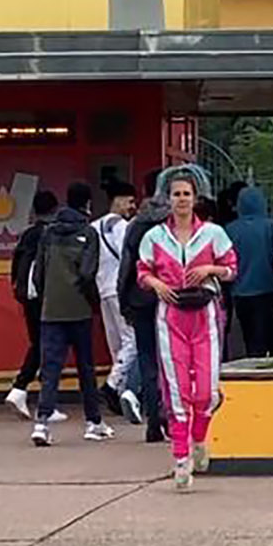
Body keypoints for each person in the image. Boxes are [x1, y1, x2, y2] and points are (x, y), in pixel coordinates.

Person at [136, 167, 237, 491]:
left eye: (186, 194)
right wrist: (155, 285)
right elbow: (141, 272)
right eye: (176, 194)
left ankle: (199, 439)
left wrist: (210, 268)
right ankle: (181, 459)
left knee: (206, 392)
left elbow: (232, 269)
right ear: (167, 198)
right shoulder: (153, 237)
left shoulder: (213, 234)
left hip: (205, 316)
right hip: (170, 317)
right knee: (176, 392)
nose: (181, 200)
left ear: (196, 199)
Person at [28, 182, 114, 445]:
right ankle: (93, 422)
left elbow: (39, 272)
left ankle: (42, 423)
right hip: (79, 309)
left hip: (51, 310)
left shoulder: (48, 233)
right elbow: (88, 273)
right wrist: (91, 301)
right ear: (88, 203)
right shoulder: (88, 233)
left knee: (51, 367)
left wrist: (47, 298)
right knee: (86, 368)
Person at [117, 168, 172, 444]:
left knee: (148, 360)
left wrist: (123, 299)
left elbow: (126, 265)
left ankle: (153, 422)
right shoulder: (172, 224)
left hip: (139, 299)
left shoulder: (136, 224)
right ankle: (170, 418)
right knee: (172, 362)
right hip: (170, 300)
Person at [4, 190, 69, 423]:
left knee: (39, 344)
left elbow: (15, 264)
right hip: (48, 296)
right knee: (50, 346)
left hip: (26, 296)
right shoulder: (52, 234)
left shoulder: (27, 234)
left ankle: (22, 390)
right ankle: (37, 397)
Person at [94, 182, 142, 423]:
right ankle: (113, 385)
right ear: (119, 201)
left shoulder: (94, 227)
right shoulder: (125, 227)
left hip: (102, 288)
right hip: (120, 289)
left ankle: (119, 389)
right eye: (130, 202)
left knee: (116, 342)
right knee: (132, 339)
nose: (132, 207)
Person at [226, 187, 273, 357]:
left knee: (250, 338)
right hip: (269, 290)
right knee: (272, 338)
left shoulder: (230, 230)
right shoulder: (272, 227)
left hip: (240, 292)